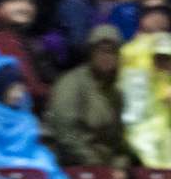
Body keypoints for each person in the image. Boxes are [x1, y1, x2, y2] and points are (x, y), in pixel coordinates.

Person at [45, 24, 132, 168]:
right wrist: (96, 165)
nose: (106, 56)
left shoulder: (117, 89)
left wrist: (120, 164)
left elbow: (119, 139)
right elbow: (65, 132)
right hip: (72, 162)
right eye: (100, 51)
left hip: (105, 163)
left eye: (112, 52)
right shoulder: (71, 83)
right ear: (90, 53)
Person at [121, 33, 171, 169]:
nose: (163, 62)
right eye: (159, 57)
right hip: (142, 137)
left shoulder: (167, 82)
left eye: (167, 58)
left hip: (164, 137)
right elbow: (132, 118)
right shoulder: (139, 81)